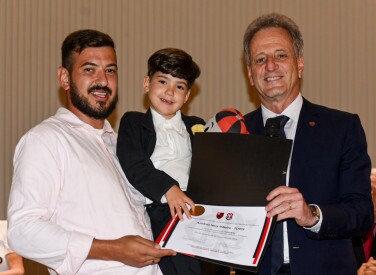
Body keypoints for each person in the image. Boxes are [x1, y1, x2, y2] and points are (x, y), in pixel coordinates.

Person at [7, 29, 175, 275]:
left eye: (110, 70)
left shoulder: (123, 146)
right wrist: (112, 249)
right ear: (64, 78)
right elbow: (23, 231)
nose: (103, 81)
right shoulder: (45, 140)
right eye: (89, 69)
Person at [238, 13, 373, 275]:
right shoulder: (234, 132)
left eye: (281, 55)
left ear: (299, 64)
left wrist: (312, 215)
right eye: (260, 59)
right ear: (250, 74)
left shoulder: (342, 128)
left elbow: (362, 213)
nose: (271, 66)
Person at [117, 48, 204, 275]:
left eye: (179, 86)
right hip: (161, 208)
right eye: (163, 81)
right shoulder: (133, 122)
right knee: (182, 266)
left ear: (187, 95)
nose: (170, 91)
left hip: (198, 207)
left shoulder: (197, 125)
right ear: (147, 83)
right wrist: (168, 188)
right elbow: (134, 164)